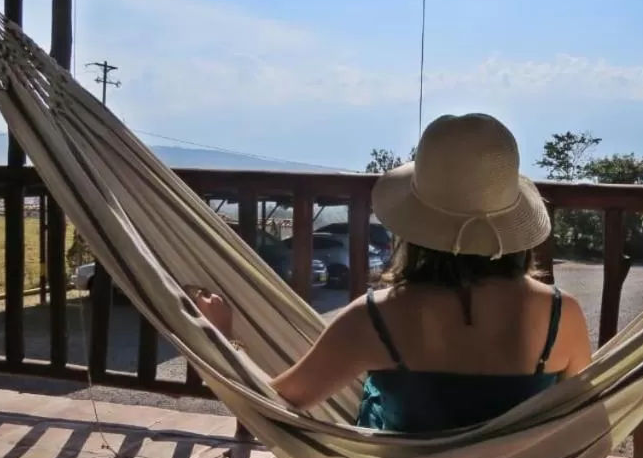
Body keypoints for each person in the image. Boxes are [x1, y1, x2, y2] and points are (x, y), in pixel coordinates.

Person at [192, 113, 592, 434]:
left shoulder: (376, 318)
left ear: (414, 226)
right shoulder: (563, 316)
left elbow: (272, 406)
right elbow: (583, 424)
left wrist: (221, 340)